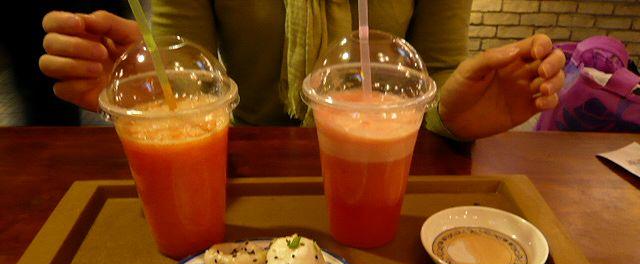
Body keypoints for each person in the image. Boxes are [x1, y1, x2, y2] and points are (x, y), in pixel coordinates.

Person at [38, 1, 565, 140]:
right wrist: (149, 90)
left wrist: (453, 114)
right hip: (244, 170)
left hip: (390, 170)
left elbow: (435, 76)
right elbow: (188, 74)